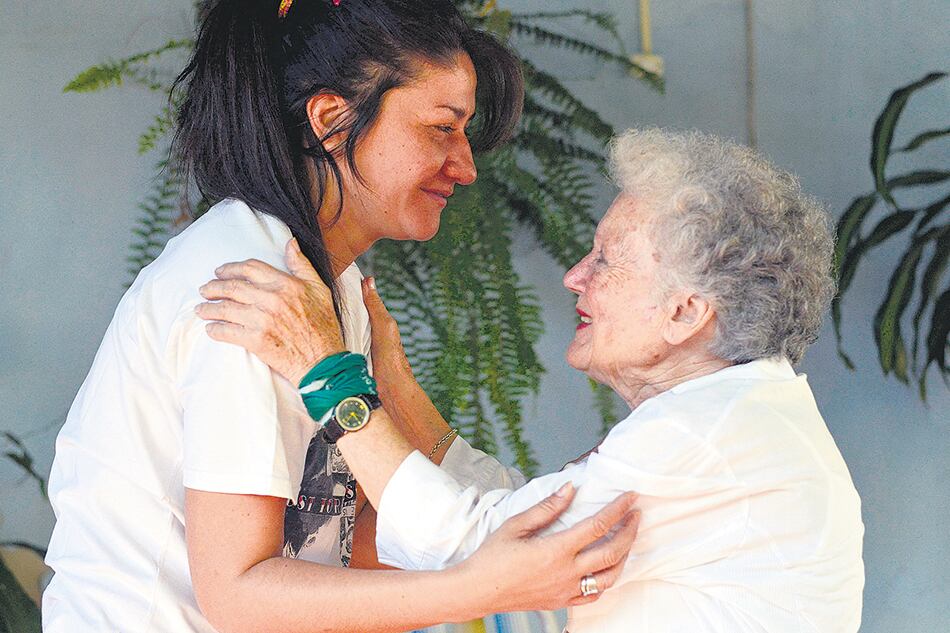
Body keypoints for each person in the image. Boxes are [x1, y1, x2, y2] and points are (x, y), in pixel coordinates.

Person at [42, 1, 642, 631]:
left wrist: (506, 560)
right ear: (331, 120)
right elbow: (238, 593)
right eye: (443, 128)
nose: (465, 167)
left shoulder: (332, 284)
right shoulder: (252, 284)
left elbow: (347, 536)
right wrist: (483, 586)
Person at [197, 128, 866, 632]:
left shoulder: (708, 437)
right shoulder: (731, 419)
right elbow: (529, 517)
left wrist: (331, 377)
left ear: (686, 311)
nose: (576, 275)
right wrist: (399, 391)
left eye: (607, 260)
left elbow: (478, 548)